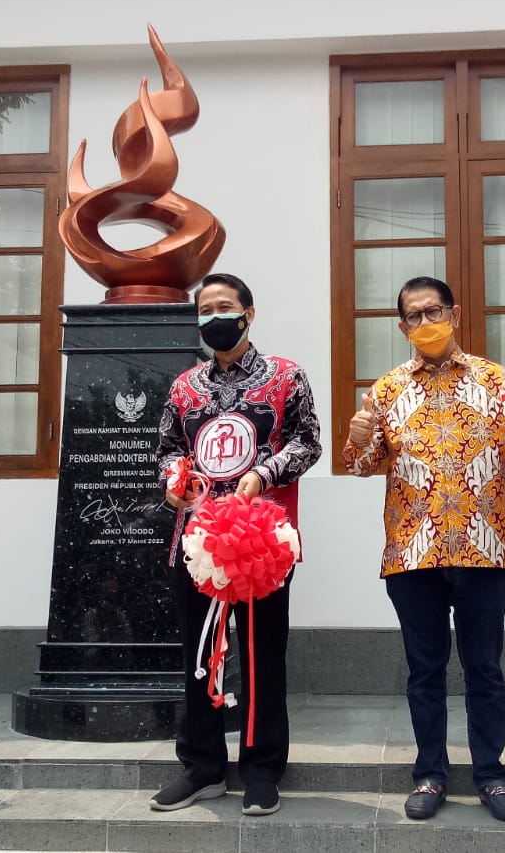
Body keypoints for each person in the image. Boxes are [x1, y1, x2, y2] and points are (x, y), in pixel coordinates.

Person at [342, 276, 505, 823]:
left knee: (485, 669)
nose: (425, 322)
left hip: (485, 547)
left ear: (454, 315)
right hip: (412, 553)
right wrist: (358, 440)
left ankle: (491, 775)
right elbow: (359, 466)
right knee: (424, 671)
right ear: (402, 327)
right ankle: (430, 774)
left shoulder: (499, 381)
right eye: (413, 315)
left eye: (433, 311)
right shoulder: (385, 391)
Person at [151, 273, 321, 817]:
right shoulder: (184, 387)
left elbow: (308, 441)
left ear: (249, 314)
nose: (214, 317)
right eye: (205, 310)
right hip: (198, 542)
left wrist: (264, 474)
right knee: (199, 657)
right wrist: (173, 479)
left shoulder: (285, 377)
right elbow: (168, 447)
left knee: (261, 655)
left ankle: (262, 769)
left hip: (260, 544)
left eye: (224, 306)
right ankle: (201, 767)